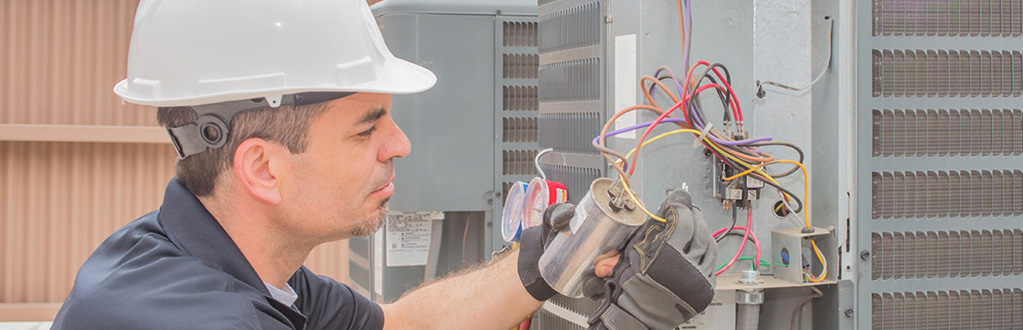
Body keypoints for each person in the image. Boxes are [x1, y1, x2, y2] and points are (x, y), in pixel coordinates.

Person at [50, 1, 716, 329]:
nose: (399, 144)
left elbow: (399, 326)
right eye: (367, 127)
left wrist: (546, 260)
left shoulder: (191, 257)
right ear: (262, 169)